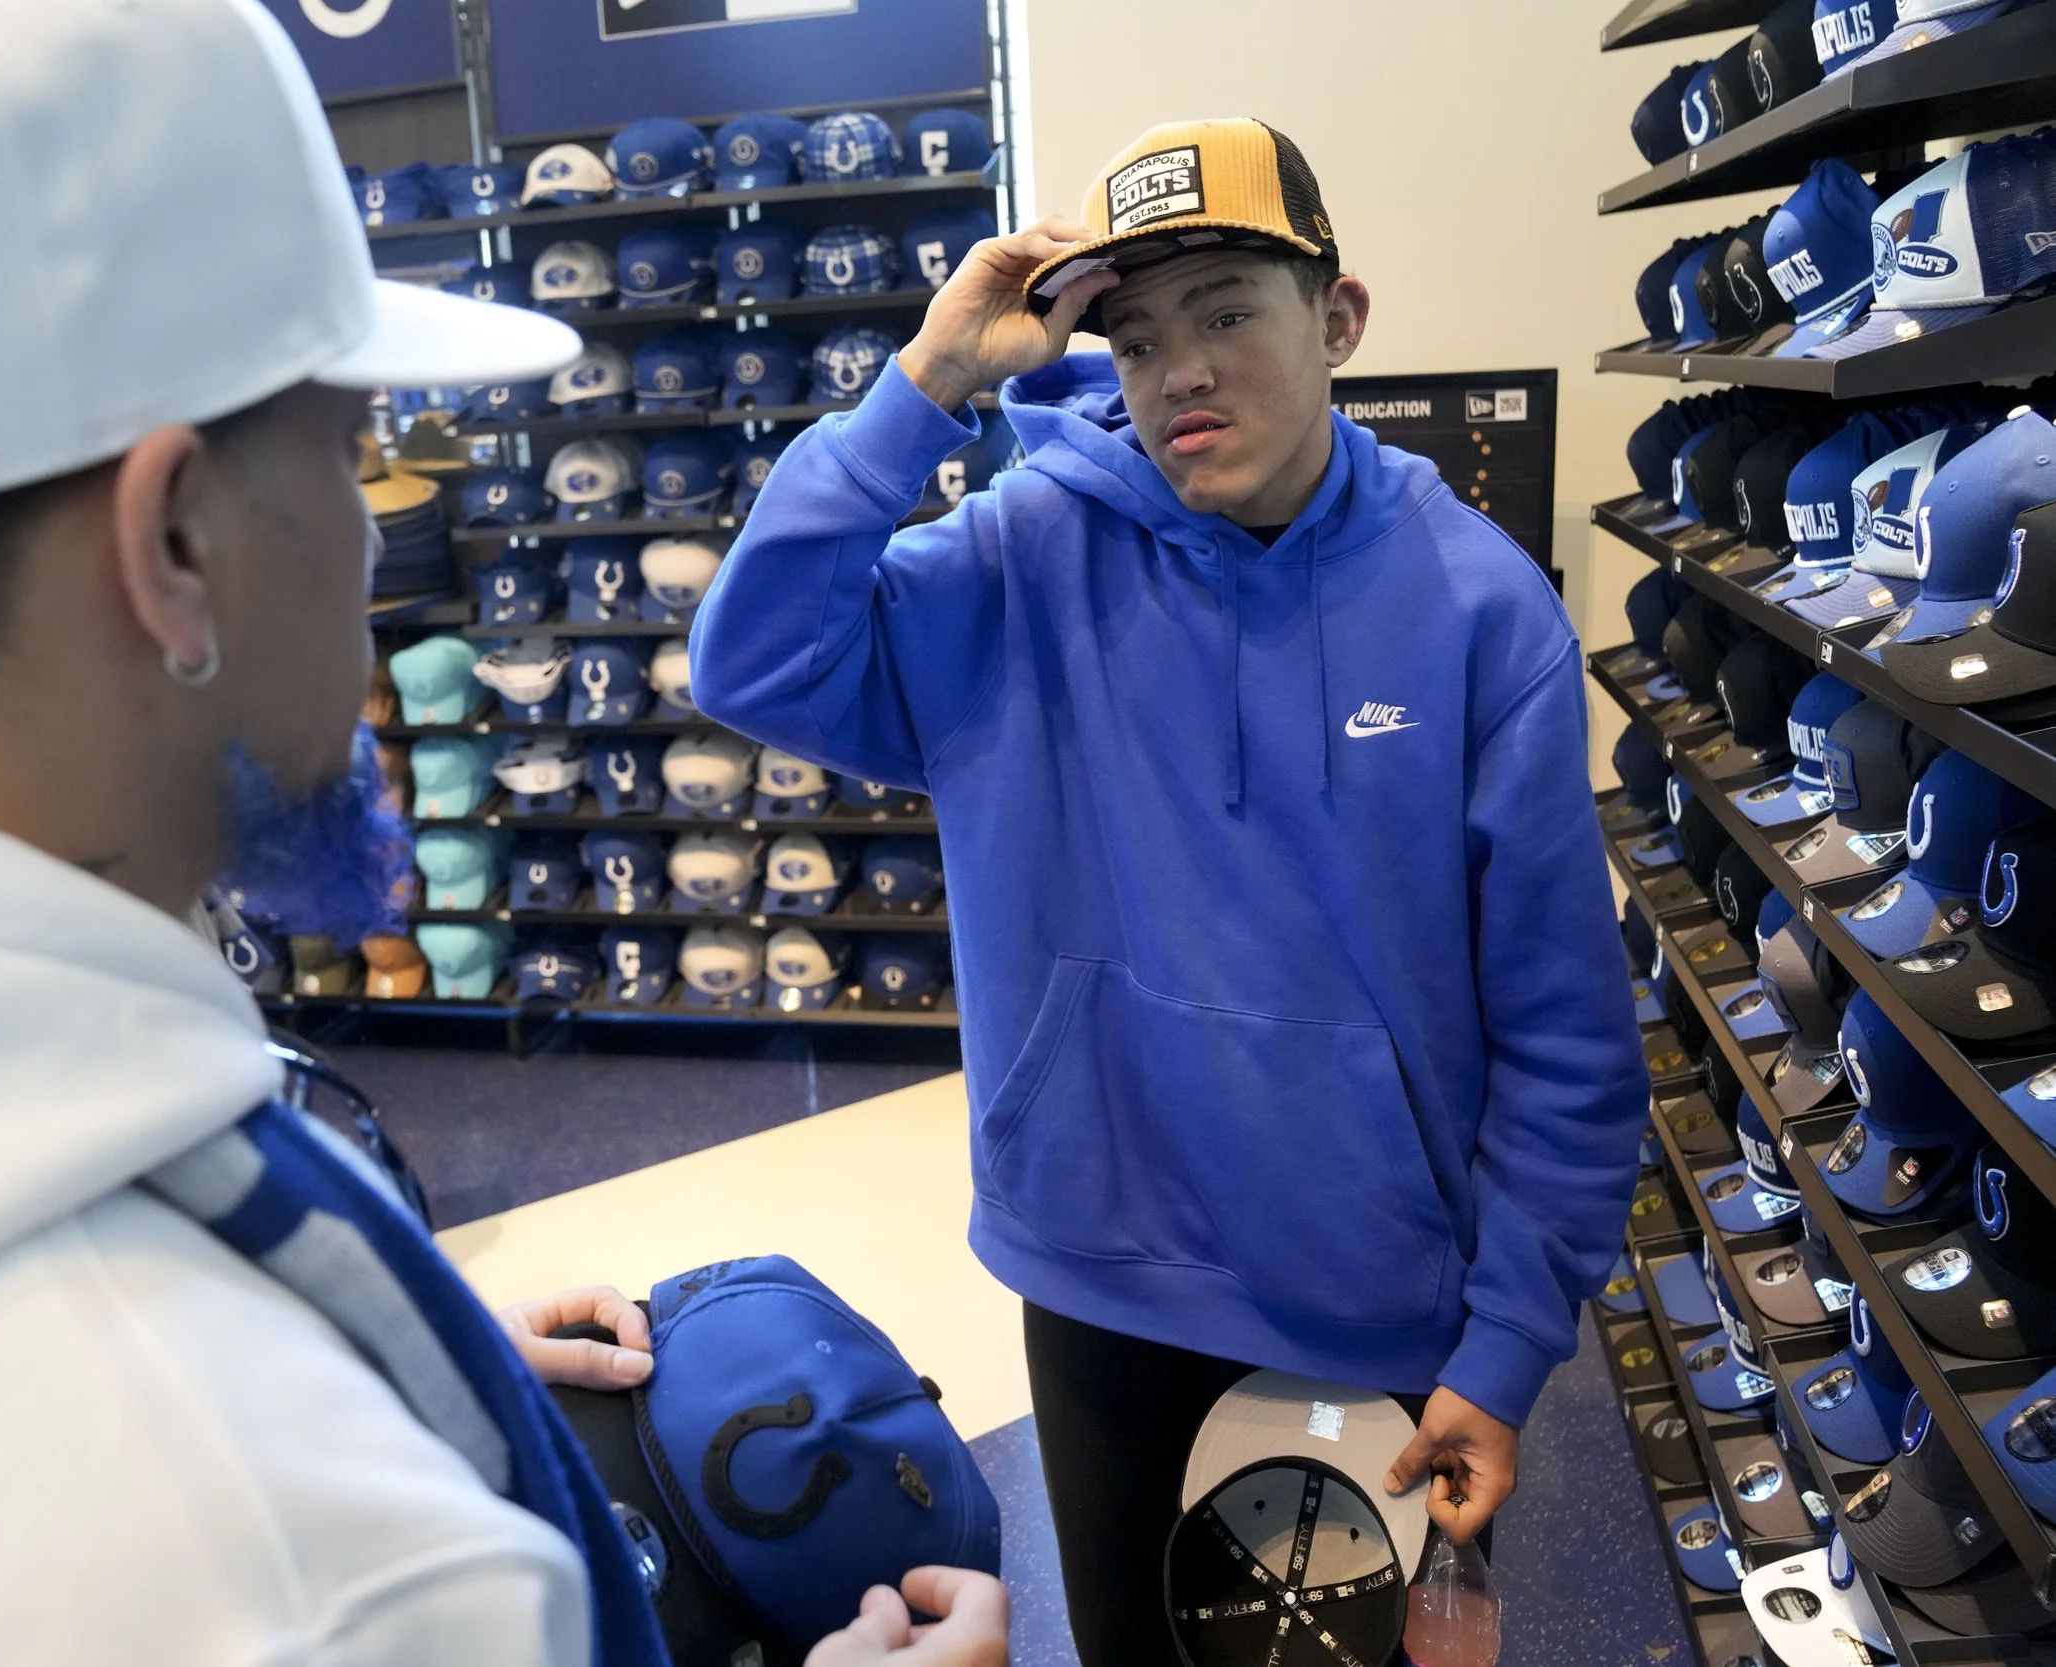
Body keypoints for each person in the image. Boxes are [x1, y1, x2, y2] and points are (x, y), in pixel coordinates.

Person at [0, 3, 1004, 1664]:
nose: (376, 540)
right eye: (355, 447)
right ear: (176, 538)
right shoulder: (318, 1561)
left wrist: (372, 1337)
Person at [689, 119, 1650, 1663]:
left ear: (1337, 321)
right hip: (1101, 1278)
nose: (1179, 369)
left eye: (1226, 312)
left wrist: (1513, 1337)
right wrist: (926, 379)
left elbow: (1566, 1035)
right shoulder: (1019, 557)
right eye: (1136, 335)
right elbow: (752, 659)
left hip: (1380, 1307)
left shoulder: (1482, 609)